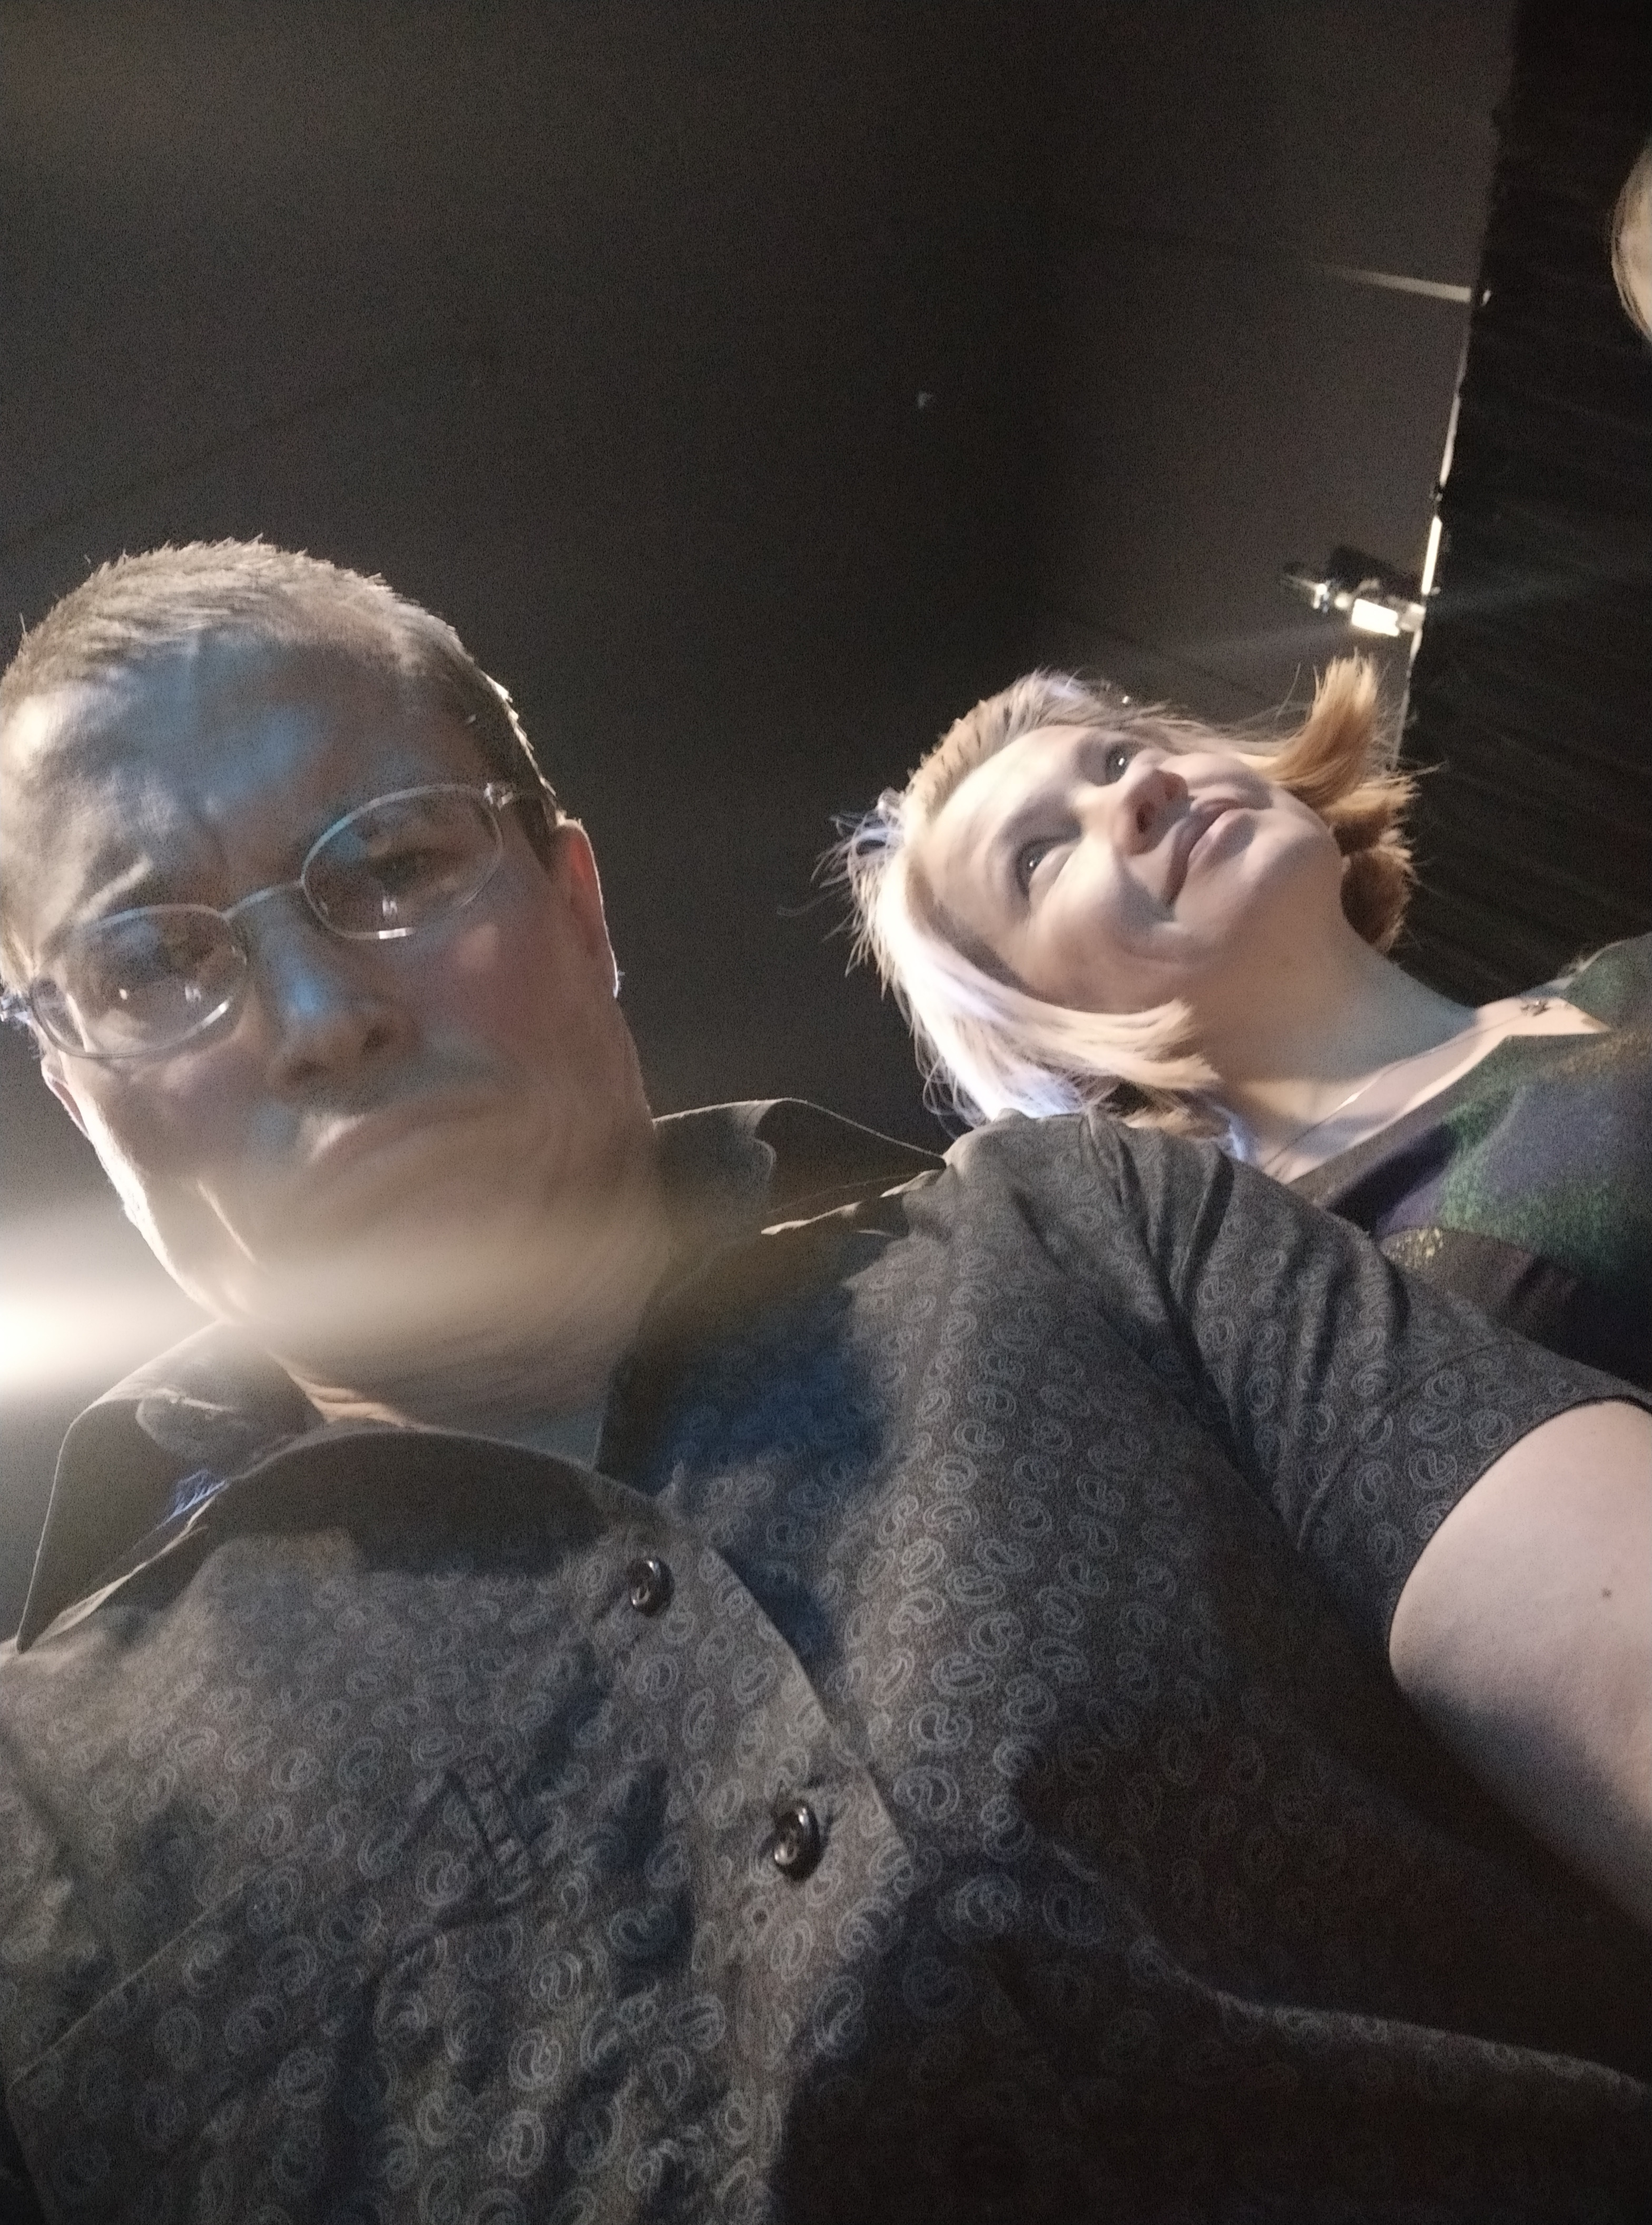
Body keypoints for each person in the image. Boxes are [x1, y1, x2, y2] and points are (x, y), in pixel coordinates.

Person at [0, 545, 1648, 2224]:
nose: (316, 1015)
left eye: (393, 861)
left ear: (579, 904)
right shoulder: (31, 1802)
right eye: (147, 968)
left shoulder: (1103, 1235)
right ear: (77, 1097)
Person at [841, 658, 1652, 1385]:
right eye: (1038, 856)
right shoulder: (1314, 1296)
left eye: (1118, 757)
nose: (1137, 790)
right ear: (1044, 1037)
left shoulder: (1619, 975)